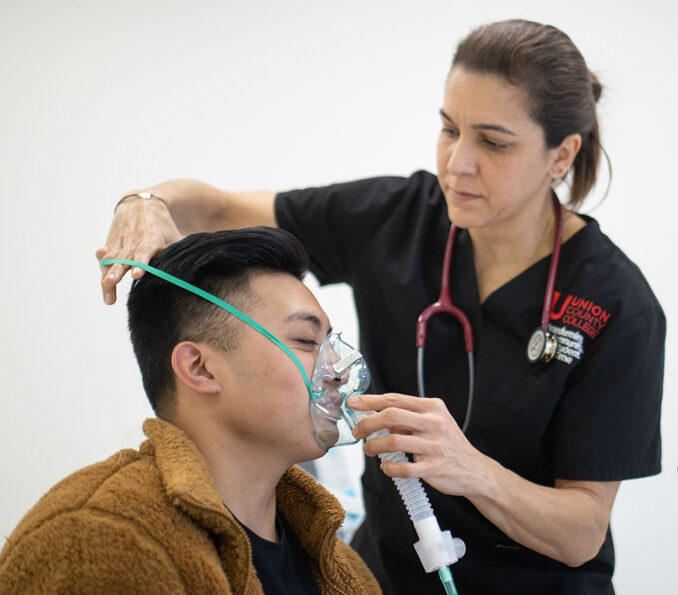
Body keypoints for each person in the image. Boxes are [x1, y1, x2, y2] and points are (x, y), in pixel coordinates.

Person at [95, 19, 665, 595]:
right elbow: (216, 209)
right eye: (449, 130)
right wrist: (144, 202)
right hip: (382, 576)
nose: (457, 163)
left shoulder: (616, 303)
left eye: (493, 142)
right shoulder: (396, 220)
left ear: (561, 155)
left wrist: (471, 471)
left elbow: (582, 531)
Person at [0, 227, 381, 594]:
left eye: (329, 342)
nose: (337, 373)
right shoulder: (97, 538)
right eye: (306, 340)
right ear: (199, 367)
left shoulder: (340, 568)